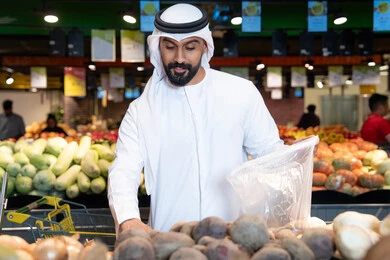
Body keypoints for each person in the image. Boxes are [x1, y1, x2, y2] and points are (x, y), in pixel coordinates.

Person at [107, 3, 285, 234]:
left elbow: (269, 153)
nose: (179, 58)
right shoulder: (141, 110)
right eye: (170, 47)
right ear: (158, 47)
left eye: (190, 48)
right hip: (167, 241)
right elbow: (123, 169)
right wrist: (127, 218)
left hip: (232, 240)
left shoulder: (241, 93)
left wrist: (296, 158)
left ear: (204, 46)